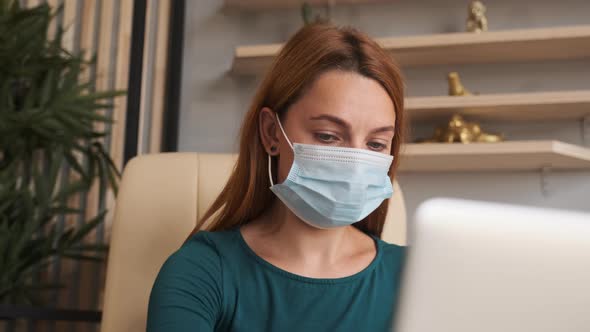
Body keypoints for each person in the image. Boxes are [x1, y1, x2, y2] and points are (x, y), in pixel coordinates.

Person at [146, 22, 406, 332]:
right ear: (271, 132)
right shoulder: (202, 271)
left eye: (375, 144)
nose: (355, 162)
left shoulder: (418, 276)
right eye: (328, 136)